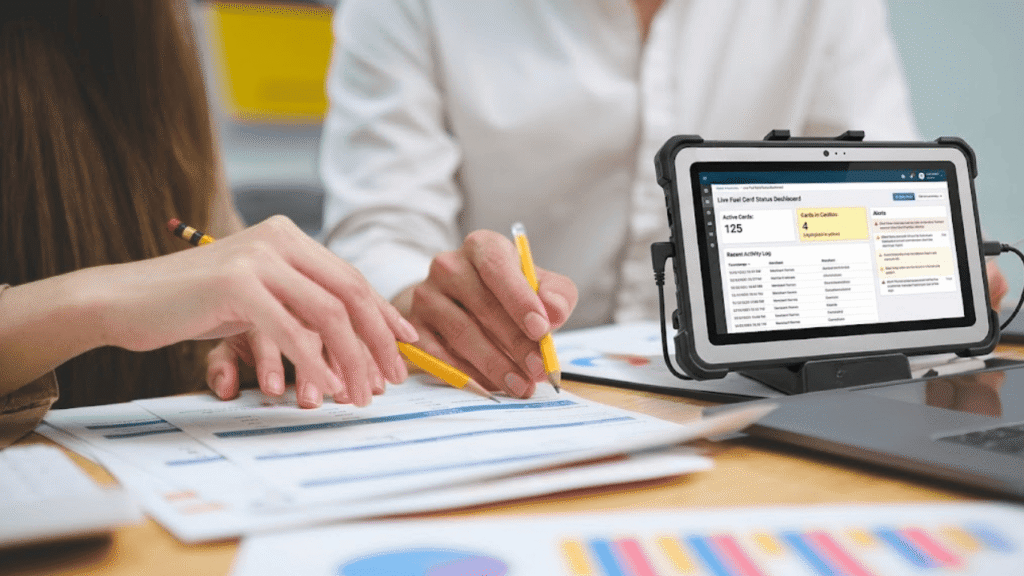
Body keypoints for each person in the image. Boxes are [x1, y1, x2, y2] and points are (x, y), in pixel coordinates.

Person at [320, 0, 1009, 395]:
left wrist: (932, 267)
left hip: (755, 398)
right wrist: (419, 295)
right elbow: (378, 229)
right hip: (517, 395)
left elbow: (878, 173)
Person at [0, 1, 419, 448]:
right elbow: (165, 284)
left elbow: (216, 268)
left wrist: (242, 337)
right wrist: (100, 301)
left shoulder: (154, 32)